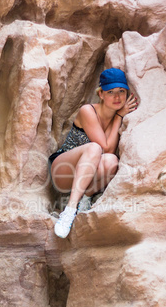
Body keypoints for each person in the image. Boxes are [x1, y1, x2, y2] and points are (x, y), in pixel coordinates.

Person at [48, 68, 138, 238]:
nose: (117, 97)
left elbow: (109, 152)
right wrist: (119, 116)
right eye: (110, 92)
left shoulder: (117, 116)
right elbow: (103, 146)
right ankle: (70, 210)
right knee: (95, 148)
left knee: (112, 161)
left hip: (87, 176)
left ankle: (85, 199)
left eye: (121, 91)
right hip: (63, 169)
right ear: (101, 94)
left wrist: (118, 117)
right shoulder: (87, 111)